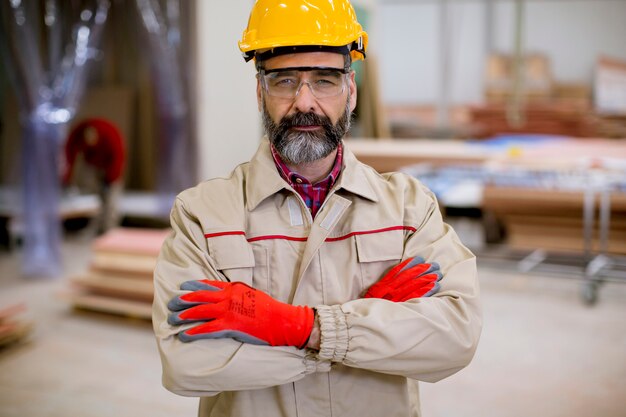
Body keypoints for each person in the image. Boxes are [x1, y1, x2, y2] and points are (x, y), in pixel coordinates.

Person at [152, 1, 482, 416]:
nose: (304, 102)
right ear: (260, 92)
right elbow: (186, 365)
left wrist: (298, 325)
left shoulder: (409, 211)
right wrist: (349, 334)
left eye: (324, 80)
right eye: (284, 80)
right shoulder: (203, 214)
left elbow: (455, 339)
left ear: (352, 90)